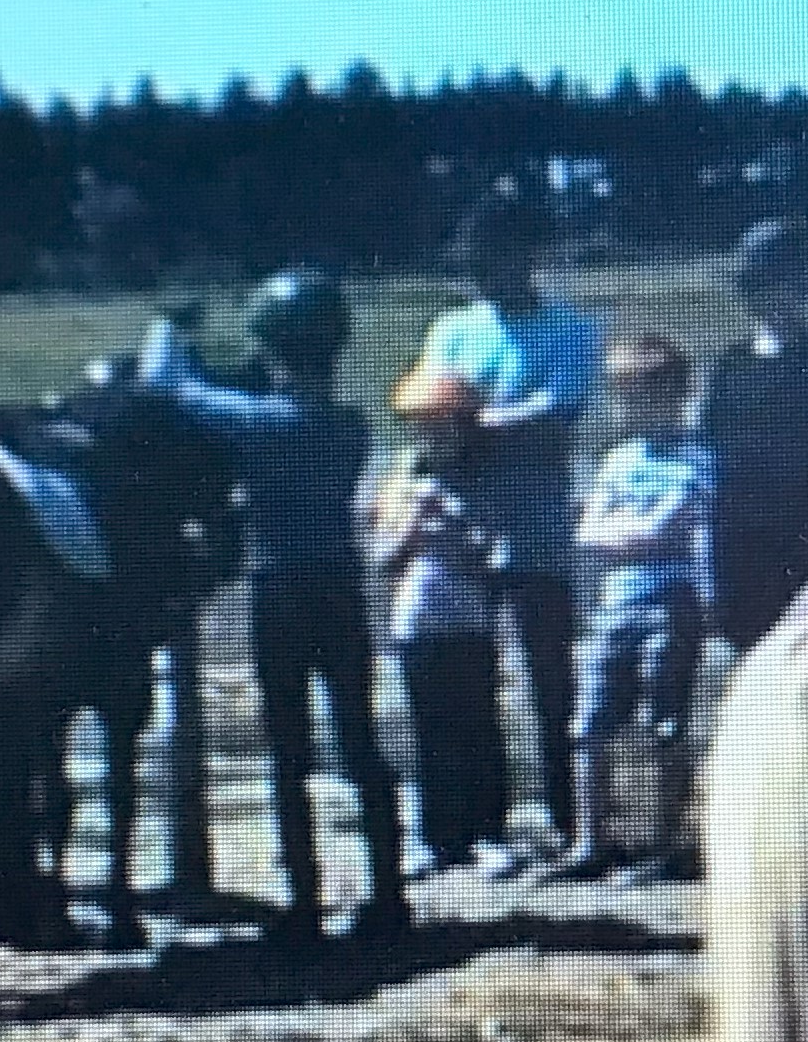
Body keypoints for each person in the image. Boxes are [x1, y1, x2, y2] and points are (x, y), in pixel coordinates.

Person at [136, 269, 412, 948]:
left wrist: (170, 326)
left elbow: (163, 386)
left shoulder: (260, 424)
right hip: (341, 588)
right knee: (357, 738)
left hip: (278, 590)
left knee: (288, 749)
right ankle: (388, 892)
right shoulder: (348, 426)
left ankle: (304, 901)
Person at [397, 187, 606, 859]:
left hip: (535, 527)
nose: (490, 272)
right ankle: (479, 824)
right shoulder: (451, 330)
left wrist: (474, 422)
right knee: (467, 680)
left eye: (503, 257)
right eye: (479, 261)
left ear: (530, 258)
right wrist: (478, 425)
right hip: (461, 531)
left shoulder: (571, 330)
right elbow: (429, 411)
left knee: (549, 678)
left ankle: (569, 817)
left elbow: (556, 413)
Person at [555, 333, 717, 880]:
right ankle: (590, 840)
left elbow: (669, 526)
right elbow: (589, 531)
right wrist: (631, 533)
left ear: (673, 394)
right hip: (616, 603)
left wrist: (627, 531)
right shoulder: (618, 459)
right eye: (625, 395)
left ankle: (665, 842)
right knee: (591, 722)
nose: (634, 407)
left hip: (672, 602)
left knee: (662, 721)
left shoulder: (698, 458)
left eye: (645, 394)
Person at [694, 219, 808, 649]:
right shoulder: (731, 361)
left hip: (788, 517)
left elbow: (807, 437)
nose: (782, 298)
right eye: (767, 286)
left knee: (793, 635)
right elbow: (708, 435)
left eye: (793, 284)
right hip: (733, 521)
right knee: (738, 635)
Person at [370, 445, 504, 872]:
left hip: (469, 623)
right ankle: (434, 839)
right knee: (430, 733)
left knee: (479, 729)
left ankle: (487, 834)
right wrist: (412, 521)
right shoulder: (398, 493)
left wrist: (454, 524)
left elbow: (490, 558)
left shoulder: (481, 491)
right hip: (417, 626)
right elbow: (382, 557)